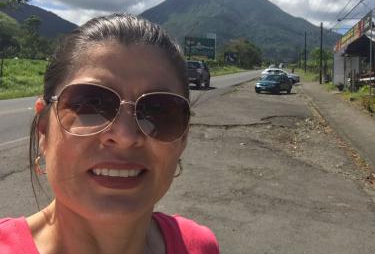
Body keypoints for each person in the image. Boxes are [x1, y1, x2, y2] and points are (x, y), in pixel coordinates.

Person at [0, 14, 220, 254]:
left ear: (183, 138)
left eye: (159, 111)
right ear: (44, 130)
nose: (125, 136)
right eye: (91, 104)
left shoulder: (198, 246)